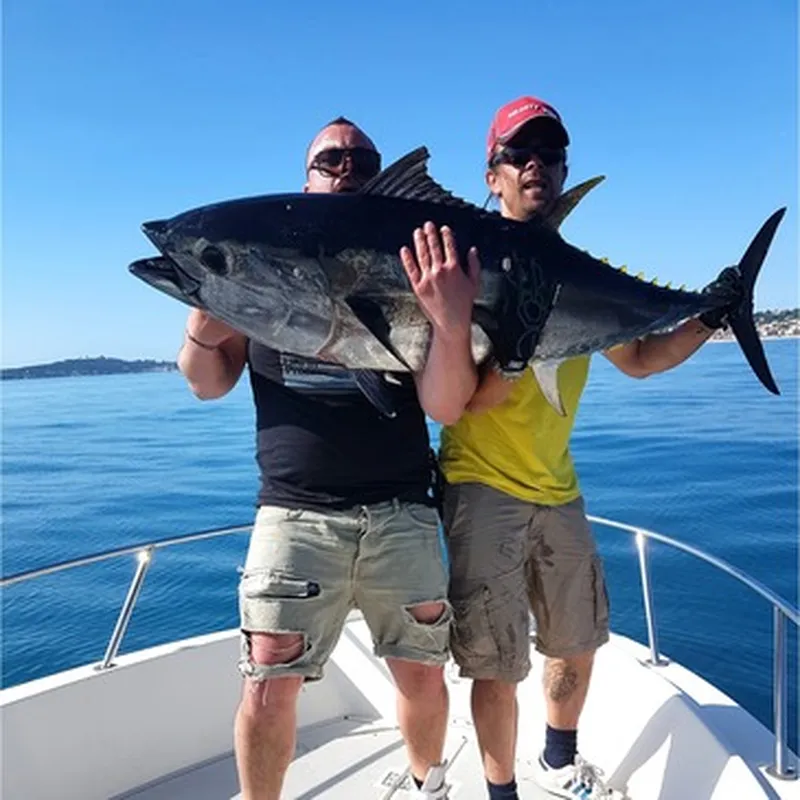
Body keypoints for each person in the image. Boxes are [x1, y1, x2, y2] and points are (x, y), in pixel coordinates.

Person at [437, 96, 744, 800]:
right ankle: (501, 791)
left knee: (578, 638)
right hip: (481, 486)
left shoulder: (573, 271)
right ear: (493, 175)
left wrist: (706, 318)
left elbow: (637, 358)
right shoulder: (463, 261)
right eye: (519, 155)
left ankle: (558, 759)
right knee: (497, 662)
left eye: (549, 154)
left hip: (559, 488)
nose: (536, 165)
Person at [177, 116, 480, 800]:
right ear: (306, 176)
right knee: (266, 683)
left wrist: (450, 320)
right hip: (294, 513)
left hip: (401, 507)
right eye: (330, 157)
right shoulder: (258, 269)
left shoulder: (412, 266)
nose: (347, 165)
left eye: (362, 158)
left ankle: (427, 787)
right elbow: (205, 381)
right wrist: (206, 305)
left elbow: (445, 406)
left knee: (423, 673)